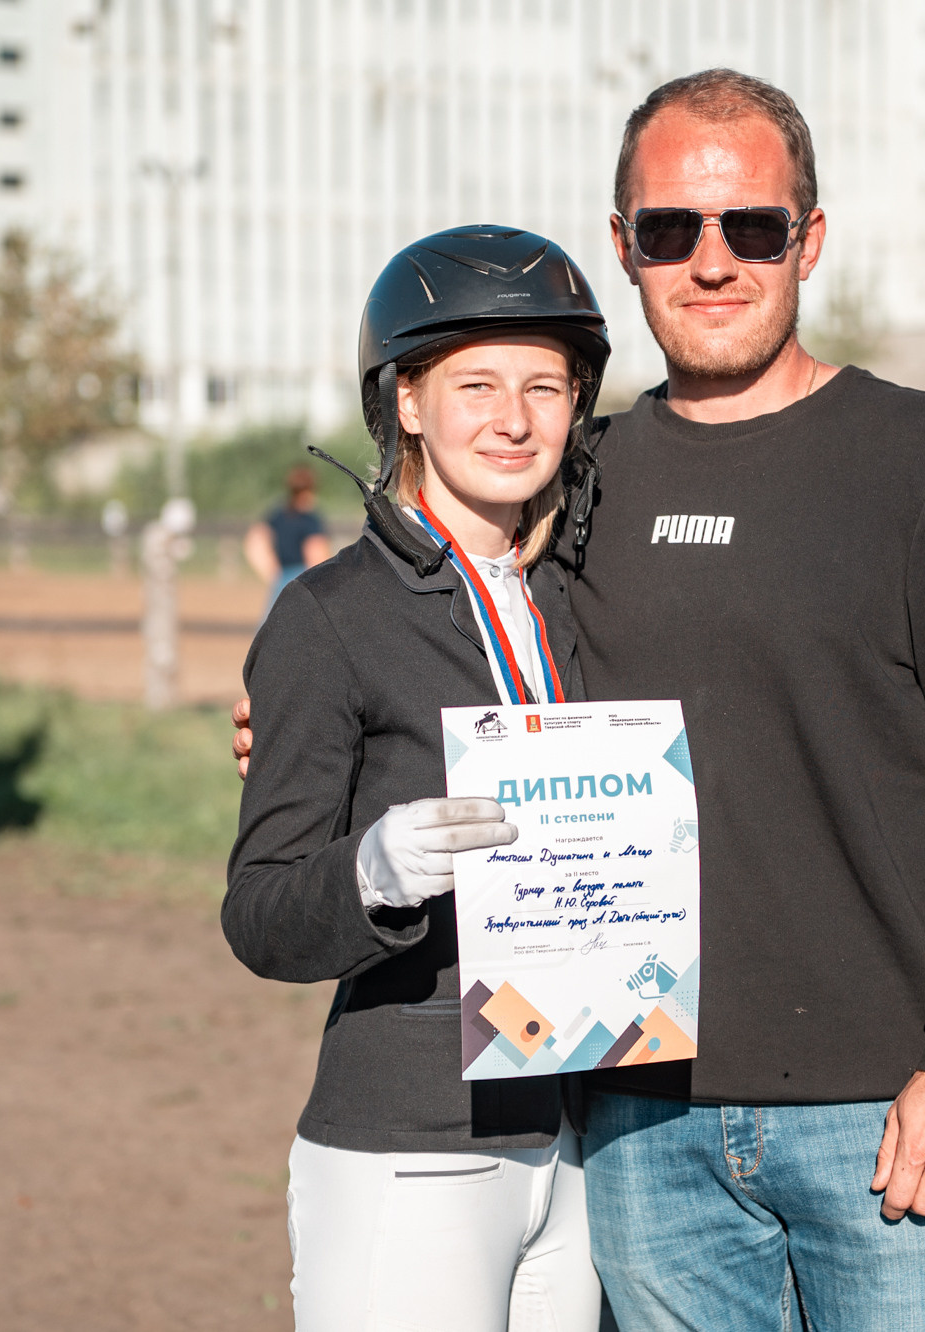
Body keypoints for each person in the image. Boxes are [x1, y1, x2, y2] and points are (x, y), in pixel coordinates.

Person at [237, 69, 925, 1332]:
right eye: (673, 230)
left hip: (880, 1115)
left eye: (752, 227)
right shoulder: (588, 478)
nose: (714, 261)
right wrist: (294, 724)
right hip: (633, 1128)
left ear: (809, 240)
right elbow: (437, 639)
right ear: (623, 246)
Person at [224, 226, 610, 1332]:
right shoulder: (325, 617)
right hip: (413, 1149)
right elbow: (259, 916)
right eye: (474, 383)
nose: (513, 417)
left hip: (582, 1144)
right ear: (404, 402)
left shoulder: (580, 599)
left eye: (546, 385)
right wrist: (376, 870)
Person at [243, 465, 332, 618]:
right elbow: (316, 555)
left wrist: (273, 573)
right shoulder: (310, 519)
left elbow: (254, 542)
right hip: (304, 577)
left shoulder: (278, 514)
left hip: (282, 579)